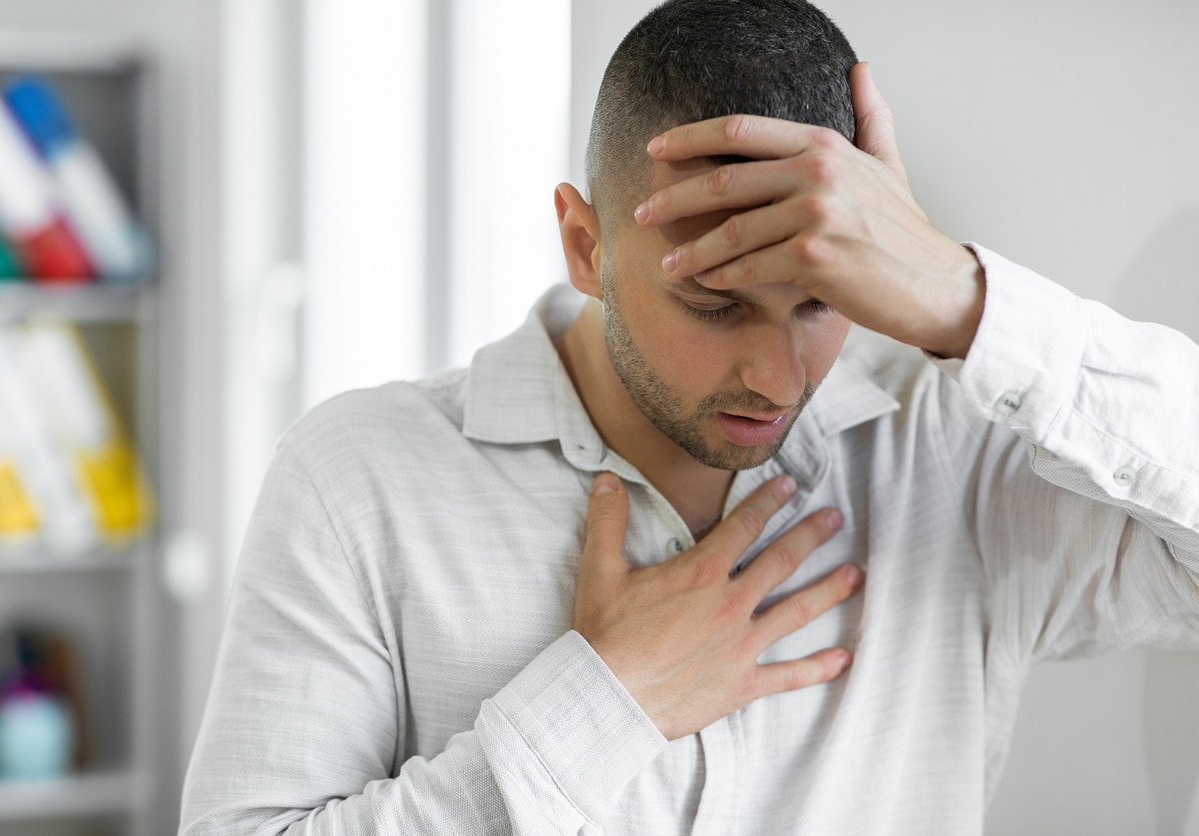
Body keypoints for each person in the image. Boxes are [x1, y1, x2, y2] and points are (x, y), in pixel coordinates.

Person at [180, 0, 1199, 833]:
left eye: (819, 304)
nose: (773, 374)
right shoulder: (359, 477)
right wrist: (597, 706)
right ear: (585, 245)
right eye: (715, 304)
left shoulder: (955, 459)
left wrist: (965, 297)